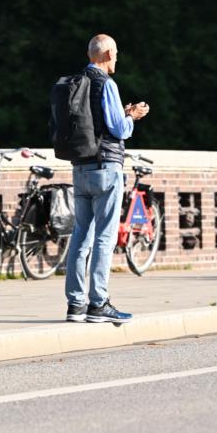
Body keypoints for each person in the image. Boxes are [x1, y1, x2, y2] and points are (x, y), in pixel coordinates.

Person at [65, 34, 149, 324]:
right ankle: (98, 303)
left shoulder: (78, 82)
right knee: (104, 237)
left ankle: (75, 304)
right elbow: (118, 129)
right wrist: (133, 116)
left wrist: (121, 115)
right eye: (115, 54)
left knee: (80, 237)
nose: (117, 59)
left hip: (80, 168)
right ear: (107, 53)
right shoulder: (106, 83)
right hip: (106, 169)